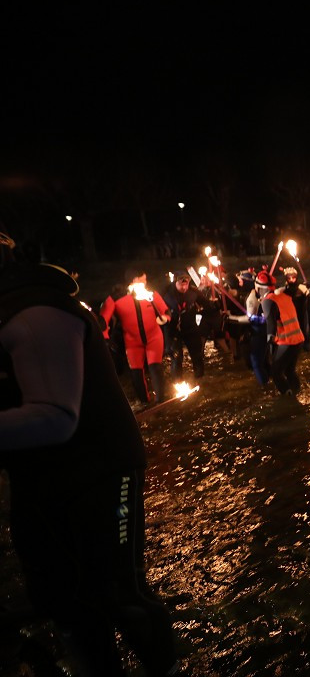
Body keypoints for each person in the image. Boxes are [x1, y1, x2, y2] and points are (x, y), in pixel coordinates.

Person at [0, 230, 178, 675]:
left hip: (100, 471)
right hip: (38, 478)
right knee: (59, 596)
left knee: (118, 591)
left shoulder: (36, 311)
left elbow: (55, 416)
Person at [99, 270, 171, 404]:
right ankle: (144, 402)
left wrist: (165, 318)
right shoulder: (116, 298)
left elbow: (165, 311)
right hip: (132, 341)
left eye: (145, 279)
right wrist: (105, 338)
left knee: (155, 367)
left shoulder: (151, 294)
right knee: (136, 372)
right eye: (142, 280)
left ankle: (161, 401)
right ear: (133, 281)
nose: (145, 282)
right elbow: (103, 319)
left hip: (154, 337)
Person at [161, 271, 210, 380]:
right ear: (176, 282)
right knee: (176, 356)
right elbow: (158, 310)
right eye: (181, 284)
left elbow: (206, 304)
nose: (184, 287)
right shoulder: (166, 293)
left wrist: (213, 305)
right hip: (172, 329)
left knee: (197, 354)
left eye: (186, 284)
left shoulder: (193, 292)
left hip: (190, 327)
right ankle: (177, 383)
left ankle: (200, 379)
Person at [261, 276, 305, 396]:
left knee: (276, 372)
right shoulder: (284, 295)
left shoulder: (268, 300)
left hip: (287, 340)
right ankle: (297, 394)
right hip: (298, 338)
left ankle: (288, 397)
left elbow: (270, 322)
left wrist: (269, 339)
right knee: (289, 370)